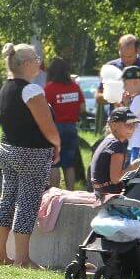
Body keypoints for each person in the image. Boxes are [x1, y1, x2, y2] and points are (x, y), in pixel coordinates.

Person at [0, 43, 62, 269]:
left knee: (7, 200)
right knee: (27, 203)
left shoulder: (6, 88)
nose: (39, 62)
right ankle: (22, 258)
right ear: (27, 63)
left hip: (7, 150)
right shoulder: (32, 90)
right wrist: (57, 143)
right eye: (36, 58)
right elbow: (47, 126)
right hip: (32, 153)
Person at [43, 57, 85, 189]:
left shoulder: (49, 88)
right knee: (69, 164)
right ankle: (70, 193)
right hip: (71, 128)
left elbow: (44, 110)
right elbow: (82, 108)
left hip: (54, 128)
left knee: (54, 163)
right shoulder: (75, 87)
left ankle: (55, 193)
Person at [98, 34, 140, 106]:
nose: (126, 60)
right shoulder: (111, 67)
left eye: (130, 56)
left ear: (138, 51)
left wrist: (136, 99)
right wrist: (114, 98)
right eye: (122, 56)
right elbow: (98, 97)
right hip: (116, 116)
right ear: (119, 50)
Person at [89, 108, 138, 195]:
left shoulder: (110, 139)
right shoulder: (116, 145)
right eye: (128, 124)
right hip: (108, 196)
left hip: (100, 191)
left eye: (134, 124)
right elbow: (115, 179)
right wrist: (133, 167)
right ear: (114, 125)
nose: (132, 128)